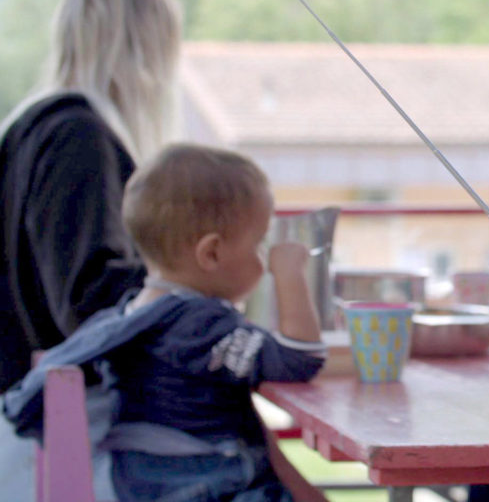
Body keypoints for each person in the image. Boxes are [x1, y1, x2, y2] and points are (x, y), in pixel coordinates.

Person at [4, 143, 326, 501]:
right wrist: (291, 273)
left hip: (139, 479)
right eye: (260, 244)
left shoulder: (130, 312)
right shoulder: (200, 324)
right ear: (212, 253)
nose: (264, 259)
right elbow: (299, 359)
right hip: (192, 481)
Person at [0, 0, 183, 499]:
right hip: (57, 429)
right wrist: (187, 292)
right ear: (150, 46)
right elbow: (87, 296)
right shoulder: (81, 136)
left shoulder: (33, 125)